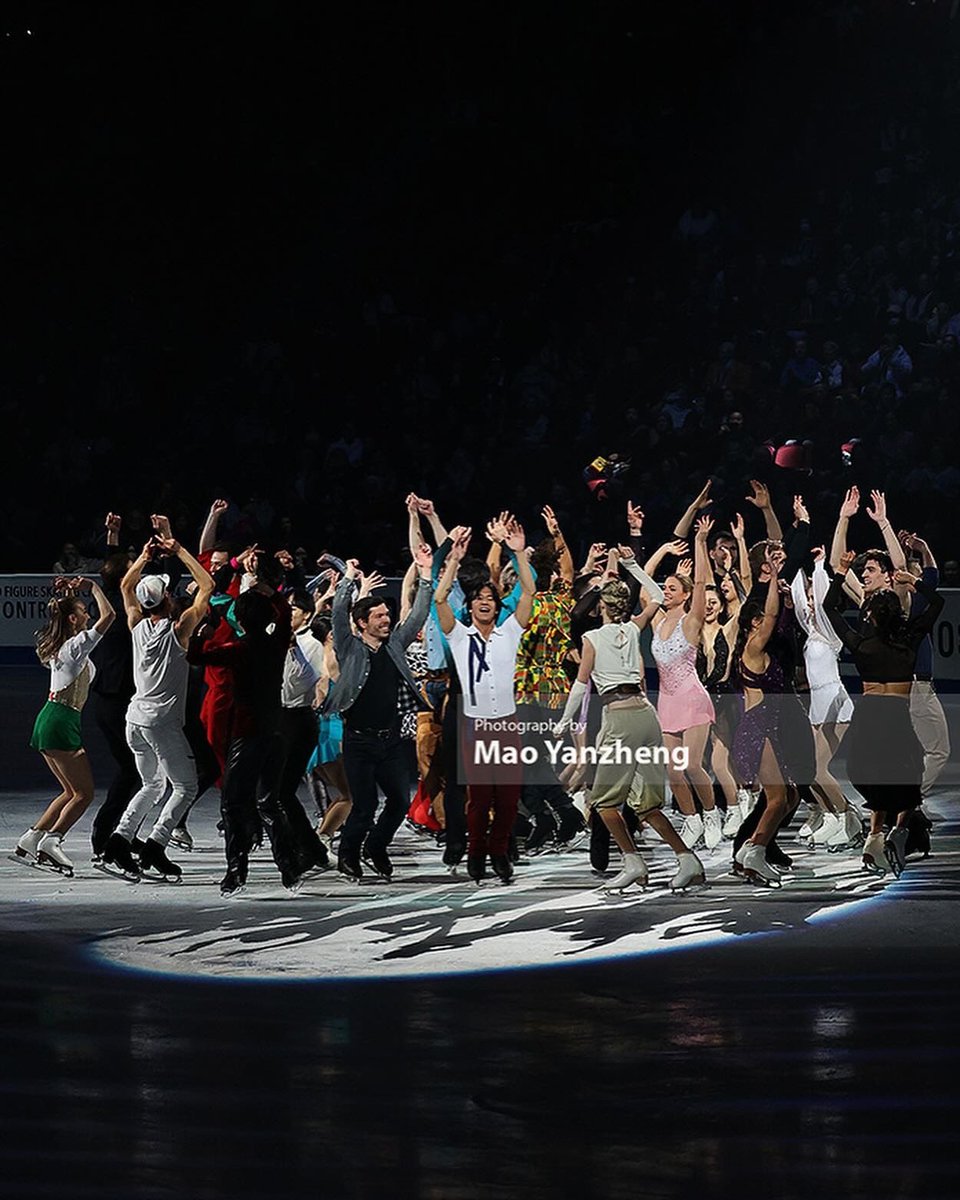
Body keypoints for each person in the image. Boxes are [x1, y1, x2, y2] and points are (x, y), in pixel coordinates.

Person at [555, 578, 705, 892]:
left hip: (620, 718)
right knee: (647, 806)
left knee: (604, 803)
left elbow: (582, 686)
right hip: (647, 717)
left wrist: (564, 721)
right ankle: (687, 859)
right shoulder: (635, 627)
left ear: (601, 608)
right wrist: (633, 566)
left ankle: (633, 862)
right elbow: (655, 595)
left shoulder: (592, 638)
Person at [100, 529, 214, 880]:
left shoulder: (136, 624)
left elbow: (124, 587)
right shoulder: (179, 629)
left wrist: (144, 557)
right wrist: (177, 549)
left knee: (151, 785)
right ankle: (155, 845)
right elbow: (207, 586)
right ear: (167, 597)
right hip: (161, 722)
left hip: (134, 718)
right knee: (185, 787)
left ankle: (120, 840)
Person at [822, 555, 943, 876]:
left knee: (865, 772)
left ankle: (876, 836)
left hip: (870, 718)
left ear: (872, 616)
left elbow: (829, 608)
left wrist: (839, 575)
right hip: (898, 718)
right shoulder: (909, 640)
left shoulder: (862, 643)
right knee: (906, 777)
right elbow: (937, 602)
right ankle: (896, 831)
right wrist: (913, 582)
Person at [323, 542, 436, 881]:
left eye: (388, 615)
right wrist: (347, 579)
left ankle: (376, 846)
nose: (387, 620)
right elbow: (338, 614)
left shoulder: (396, 645)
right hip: (359, 742)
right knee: (364, 806)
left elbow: (417, 613)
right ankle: (348, 856)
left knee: (400, 801)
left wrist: (427, 575)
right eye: (379, 617)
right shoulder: (349, 647)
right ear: (362, 623)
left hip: (390, 742)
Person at [435, 520, 535, 884]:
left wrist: (519, 552)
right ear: (472, 606)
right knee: (478, 800)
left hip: (507, 724)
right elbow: (440, 599)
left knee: (508, 799)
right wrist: (453, 562)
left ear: (496, 606)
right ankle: (475, 852)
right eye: (479, 600)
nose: (484, 604)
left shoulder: (510, 632)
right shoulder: (460, 637)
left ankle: (499, 852)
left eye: (490, 600)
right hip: (475, 725)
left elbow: (528, 593)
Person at [15, 576, 116, 874]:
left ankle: (31, 838)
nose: (89, 614)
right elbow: (110, 616)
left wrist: (70, 596)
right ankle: (52, 841)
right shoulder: (74, 646)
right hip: (61, 721)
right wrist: (93, 587)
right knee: (84, 794)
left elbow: (71, 616)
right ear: (73, 619)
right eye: (84, 611)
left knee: (70, 792)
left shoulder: (63, 645)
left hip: (51, 718)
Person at [644, 516, 722, 851]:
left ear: (687, 595)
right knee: (673, 771)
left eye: (672, 588)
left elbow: (703, 582)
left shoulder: (691, 621)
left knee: (691, 765)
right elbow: (644, 580)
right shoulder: (658, 617)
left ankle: (711, 813)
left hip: (692, 698)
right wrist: (662, 549)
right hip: (667, 701)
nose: (665, 591)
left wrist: (702, 543)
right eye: (665, 588)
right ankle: (690, 819)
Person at [789, 549, 862, 850]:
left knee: (819, 768)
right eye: (806, 596)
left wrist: (819, 566)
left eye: (811, 597)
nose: (808, 602)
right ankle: (834, 814)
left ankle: (847, 818)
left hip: (835, 702)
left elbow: (820, 599)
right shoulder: (810, 631)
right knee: (808, 769)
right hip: (818, 705)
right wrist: (791, 566)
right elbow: (797, 599)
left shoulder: (831, 632)